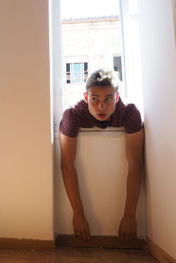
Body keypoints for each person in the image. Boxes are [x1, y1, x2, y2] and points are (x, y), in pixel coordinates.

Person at [59, 69, 144, 243]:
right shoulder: (73, 114)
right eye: (95, 99)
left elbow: (135, 165)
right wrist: (78, 214)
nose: (101, 107)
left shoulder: (130, 113)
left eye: (108, 99)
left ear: (117, 98)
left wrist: (129, 216)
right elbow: (67, 164)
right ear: (86, 97)